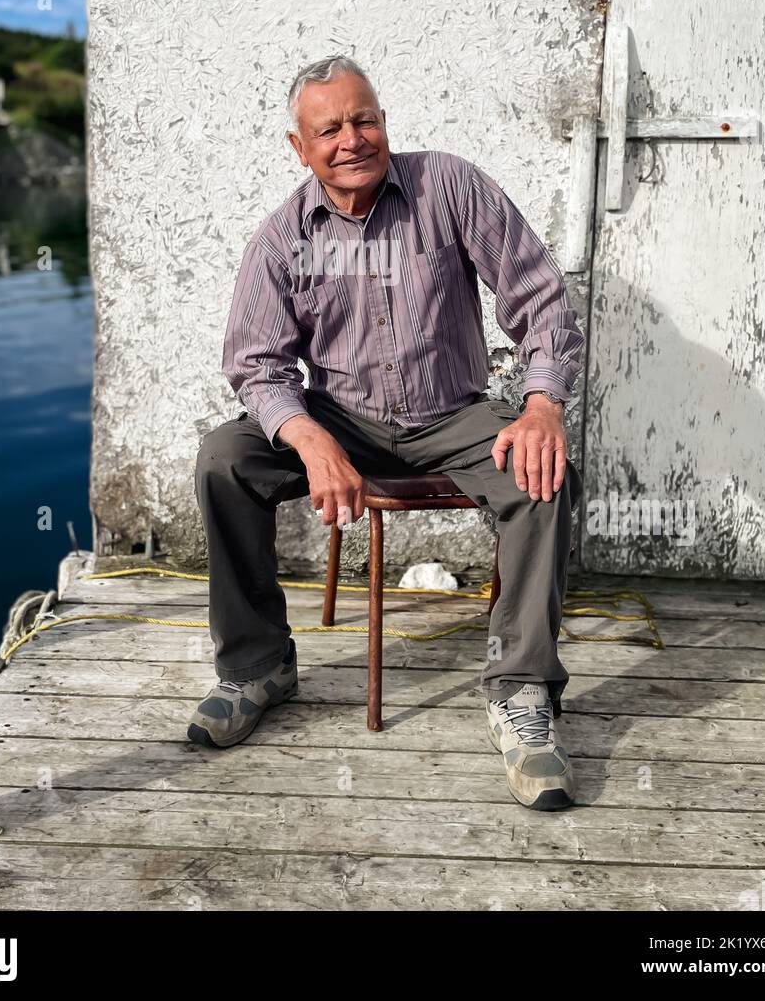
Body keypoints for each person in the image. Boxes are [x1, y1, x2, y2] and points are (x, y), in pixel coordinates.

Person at [191, 55, 585, 810]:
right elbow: (256, 365)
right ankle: (257, 665)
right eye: (329, 128)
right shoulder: (281, 240)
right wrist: (308, 438)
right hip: (338, 419)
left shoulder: (449, 186)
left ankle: (521, 691)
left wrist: (541, 406)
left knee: (545, 474)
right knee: (223, 460)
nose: (352, 138)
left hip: (454, 414)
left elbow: (540, 300)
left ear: (384, 120)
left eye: (363, 118)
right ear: (298, 146)